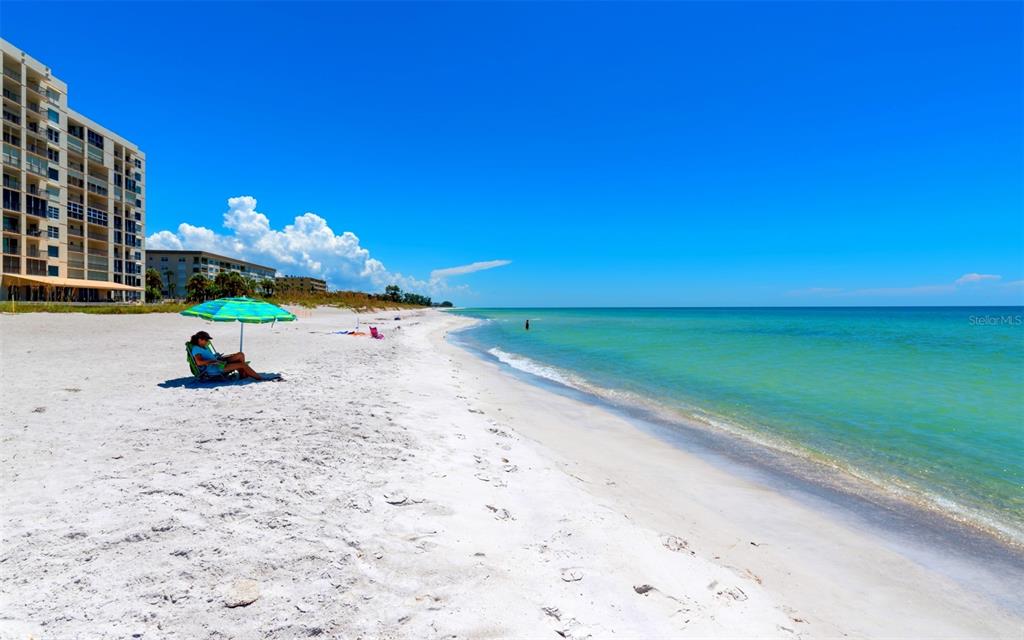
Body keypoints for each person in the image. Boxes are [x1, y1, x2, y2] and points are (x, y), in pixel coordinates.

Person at [189, 331, 264, 381]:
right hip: (216, 368)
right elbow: (199, 362)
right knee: (243, 365)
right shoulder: (196, 349)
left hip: (219, 362)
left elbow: (209, 356)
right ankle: (260, 379)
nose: (208, 342)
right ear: (200, 340)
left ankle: (242, 375)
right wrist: (213, 361)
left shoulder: (203, 347)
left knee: (240, 355)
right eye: (206, 340)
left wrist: (217, 357)